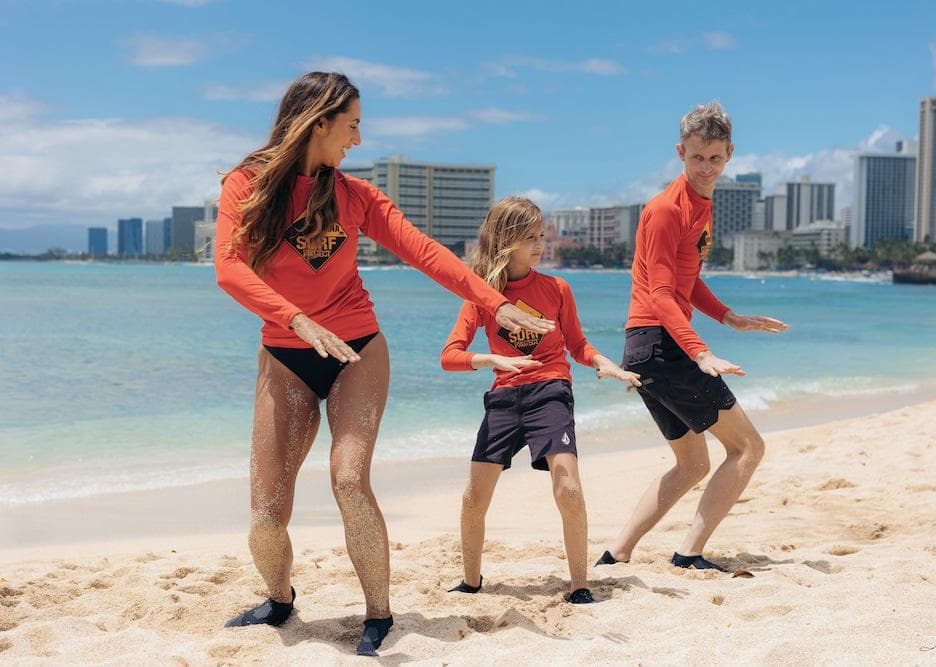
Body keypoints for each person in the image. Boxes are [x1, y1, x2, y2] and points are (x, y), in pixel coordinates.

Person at [214, 72, 553, 657]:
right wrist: (296, 319)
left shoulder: (354, 197)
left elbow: (426, 254)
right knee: (266, 510)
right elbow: (228, 268)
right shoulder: (245, 186)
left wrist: (496, 304)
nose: (358, 140)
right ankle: (279, 599)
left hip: (356, 353)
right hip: (286, 354)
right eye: (351, 126)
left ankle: (378, 613)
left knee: (348, 478)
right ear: (318, 121)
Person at [595, 102, 787, 573]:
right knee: (748, 448)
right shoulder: (665, 210)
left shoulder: (702, 206)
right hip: (661, 346)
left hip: (649, 347)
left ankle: (615, 554)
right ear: (681, 152)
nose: (705, 167)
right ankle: (690, 553)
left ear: (729, 155)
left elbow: (687, 279)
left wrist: (728, 317)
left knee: (692, 464)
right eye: (697, 157)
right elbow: (661, 294)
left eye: (715, 159)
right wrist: (699, 351)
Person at [440, 197, 640, 603]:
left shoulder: (556, 288)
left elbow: (577, 345)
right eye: (529, 237)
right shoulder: (481, 296)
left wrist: (605, 364)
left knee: (568, 485)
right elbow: (449, 356)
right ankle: (472, 582)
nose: (539, 245)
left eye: (541, 236)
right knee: (473, 497)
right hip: (503, 397)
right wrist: (491, 358)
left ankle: (580, 586)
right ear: (506, 239)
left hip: (550, 390)